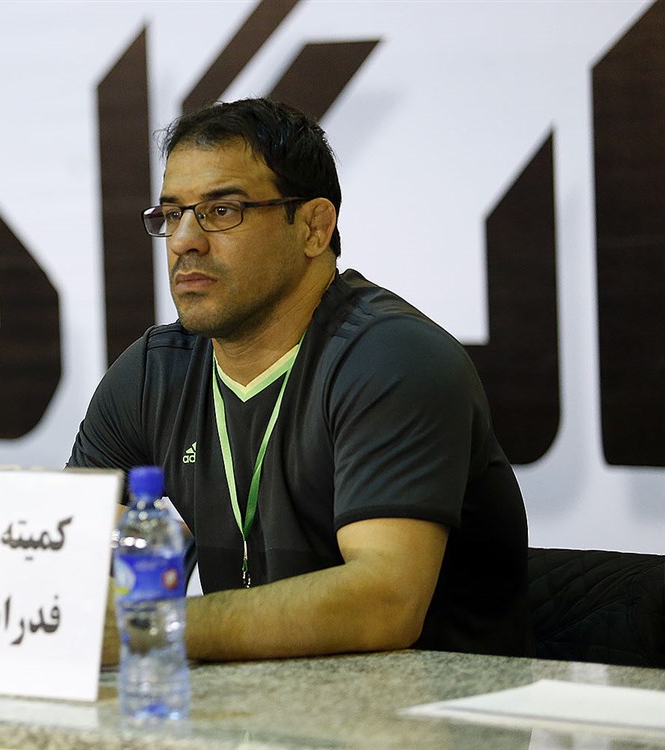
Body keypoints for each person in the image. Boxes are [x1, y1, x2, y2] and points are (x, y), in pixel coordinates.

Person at [68, 98, 531, 662]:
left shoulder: (391, 358)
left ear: (314, 227)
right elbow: (68, 550)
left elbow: (384, 602)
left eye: (222, 211)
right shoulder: (155, 370)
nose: (185, 239)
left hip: (425, 707)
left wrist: (153, 626)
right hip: (252, 701)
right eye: (172, 214)